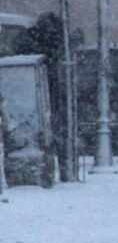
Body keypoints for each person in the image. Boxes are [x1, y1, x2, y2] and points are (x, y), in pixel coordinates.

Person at [14, 12, 79, 182]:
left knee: (40, 134)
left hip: (32, 94)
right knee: (59, 132)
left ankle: (45, 164)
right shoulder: (58, 41)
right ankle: (65, 169)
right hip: (53, 91)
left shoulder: (29, 39)